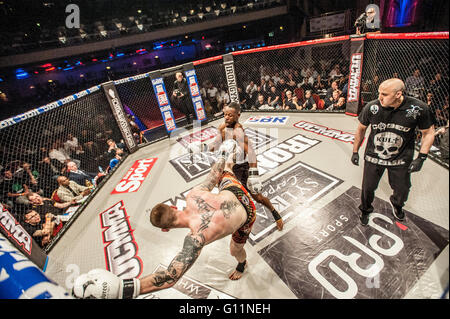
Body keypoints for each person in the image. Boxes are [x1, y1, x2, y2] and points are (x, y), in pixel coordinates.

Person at [72, 140, 260, 298]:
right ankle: (228, 155)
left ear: (165, 229)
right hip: (235, 191)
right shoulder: (193, 195)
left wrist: (123, 290)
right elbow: (213, 176)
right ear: (172, 207)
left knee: (235, 250)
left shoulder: (195, 239)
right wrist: (221, 156)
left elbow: (170, 276)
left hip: (247, 216)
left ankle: (242, 264)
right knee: (224, 171)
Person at [351, 78, 435, 226]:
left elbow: (428, 132)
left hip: (401, 157)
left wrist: (421, 157)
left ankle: (397, 205)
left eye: (384, 94)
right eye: (379, 93)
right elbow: (361, 129)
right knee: (368, 188)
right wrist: (355, 151)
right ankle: (365, 209)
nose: (379, 97)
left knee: (402, 189)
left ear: (398, 94)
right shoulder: (372, 107)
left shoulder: (417, 109)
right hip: (374, 155)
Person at [206, 102, 284, 231]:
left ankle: (275, 213)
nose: (226, 117)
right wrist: (201, 147)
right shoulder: (222, 127)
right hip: (228, 167)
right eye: (225, 114)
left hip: (242, 168)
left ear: (238, 115)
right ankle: (234, 222)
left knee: (257, 196)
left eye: (230, 115)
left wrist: (253, 175)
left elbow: (251, 152)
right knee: (228, 195)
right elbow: (215, 146)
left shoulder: (238, 131)